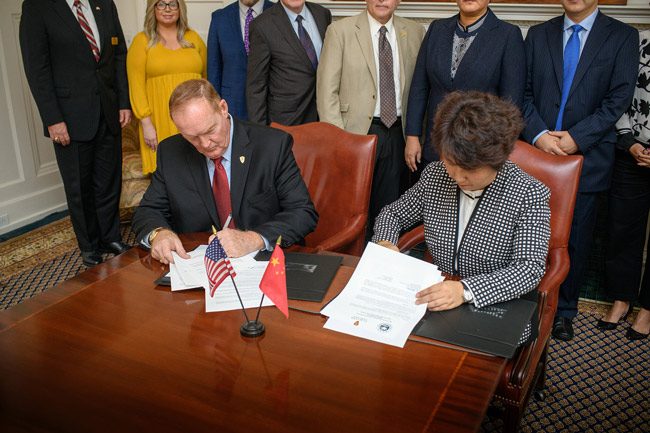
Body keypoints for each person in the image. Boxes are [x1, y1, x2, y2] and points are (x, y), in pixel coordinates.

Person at [373, 91, 550, 343]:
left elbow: (528, 269)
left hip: (496, 303)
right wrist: (386, 242)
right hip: (438, 296)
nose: (457, 177)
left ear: (496, 160)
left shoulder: (528, 194)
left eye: (468, 170)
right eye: (450, 163)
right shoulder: (436, 176)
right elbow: (393, 214)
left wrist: (466, 290)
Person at [522, 0, 638, 341]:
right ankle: (523, 302)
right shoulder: (539, 34)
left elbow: (618, 100)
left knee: (575, 239)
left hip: (587, 157)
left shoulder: (622, 36)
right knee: (529, 233)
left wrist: (577, 138)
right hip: (537, 154)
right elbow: (524, 93)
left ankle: (563, 311)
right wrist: (540, 135)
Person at [132, 79, 318, 264]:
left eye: (210, 130)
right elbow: (148, 210)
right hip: (201, 267)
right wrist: (159, 233)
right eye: (193, 137)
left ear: (223, 108)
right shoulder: (171, 152)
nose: (205, 144)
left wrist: (254, 239)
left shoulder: (272, 145)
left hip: (266, 266)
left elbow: (302, 212)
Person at [19, 0, 132, 267]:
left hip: (108, 109)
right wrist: (53, 119)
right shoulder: (38, 7)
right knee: (79, 187)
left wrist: (123, 101)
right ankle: (90, 246)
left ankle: (110, 237)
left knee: (108, 180)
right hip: (69, 118)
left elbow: (118, 55)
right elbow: (37, 69)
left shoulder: (104, 3)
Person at [316, 0, 424, 240]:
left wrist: (415, 134)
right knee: (354, 206)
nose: (381, 0)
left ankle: (383, 258)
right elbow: (326, 92)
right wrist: (340, 141)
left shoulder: (415, 32)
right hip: (355, 134)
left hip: (398, 133)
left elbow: (420, 88)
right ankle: (353, 261)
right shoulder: (340, 31)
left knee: (389, 207)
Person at [404, 0, 525, 171]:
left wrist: (497, 150)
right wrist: (412, 135)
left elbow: (511, 104)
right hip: (434, 144)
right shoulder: (436, 29)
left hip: (479, 150)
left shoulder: (507, 34)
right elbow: (419, 87)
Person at [598, 30, 650, 341]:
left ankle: (648, 310)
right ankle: (621, 299)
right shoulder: (635, 40)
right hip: (631, 150)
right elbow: (617, 94)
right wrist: (629, 141)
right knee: (621, 230)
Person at [127, 0, 206, 175]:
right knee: (166, 173)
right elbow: (136, 86)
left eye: (173, 4)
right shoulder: (142, 41)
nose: (167, 9)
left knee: (197, 171)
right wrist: (146, 123)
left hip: (194, 118)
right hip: (158, 120)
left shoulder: (194, 38)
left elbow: (206, 81)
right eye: (161, 4)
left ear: (180, 8)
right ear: (152, 9)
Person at [246, 0, 331, 125]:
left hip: (323, 119)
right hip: (286, 123)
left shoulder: (322, 14)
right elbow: (256, 87)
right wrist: (261, 135)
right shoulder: (262, 25)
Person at [207, 0, 273, 121]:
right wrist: (215, 109)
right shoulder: (220, 18)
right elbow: (214, 70)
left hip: (272, 106)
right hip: (232, 107)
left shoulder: (278, 13)